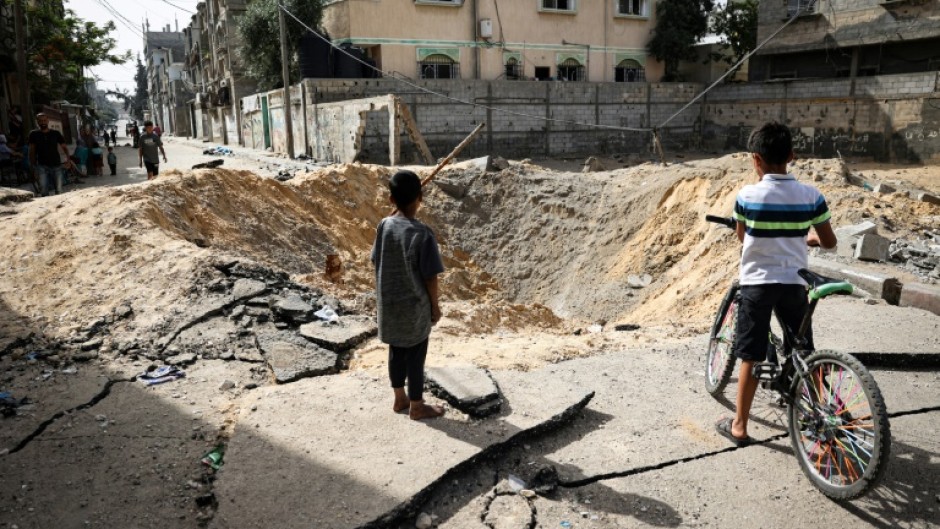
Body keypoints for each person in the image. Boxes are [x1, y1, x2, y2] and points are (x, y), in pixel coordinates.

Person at [715, 122, 837, 447]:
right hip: (795, 283)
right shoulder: (812, 196)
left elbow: (744, 237)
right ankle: (816, 413)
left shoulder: (747, 196)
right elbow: (829, 242)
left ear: (756, 159)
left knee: (750, 355)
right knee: (804, 350)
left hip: (757, 284)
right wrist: (806, 239)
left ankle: (739, 426)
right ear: (792, 156)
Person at [371, 170, 446, 421]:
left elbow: (376, 259)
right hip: (414, 309)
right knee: (415, 354)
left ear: (391, 200)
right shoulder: (423, 234)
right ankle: (417, 405)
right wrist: (434, 307)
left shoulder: (384, 225)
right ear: (420, 198)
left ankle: (399, 398)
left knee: (396, 350)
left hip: (389, 305)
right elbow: (430, 277)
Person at [28, 113, 71, 196]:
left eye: (44, 120)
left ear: (48, 121)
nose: (43, 122)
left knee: (59, 191)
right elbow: (31, 151)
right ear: (37, 122)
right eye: (40, 121)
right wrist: (33, 166)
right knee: (44, 191)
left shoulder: (56, 133)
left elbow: (64, 147)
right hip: (42, 166)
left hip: (56, 165)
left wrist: (68, 160)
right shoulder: (33, 134)